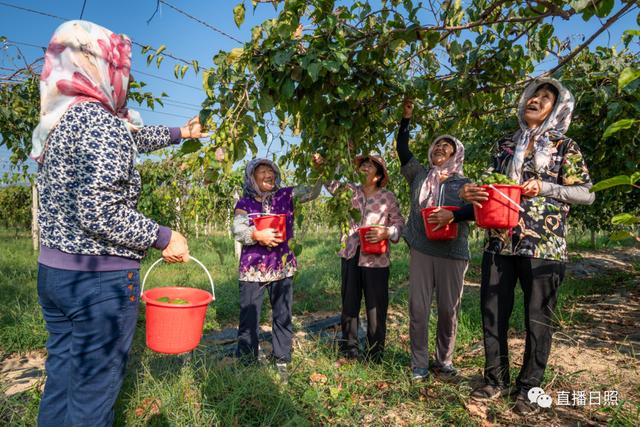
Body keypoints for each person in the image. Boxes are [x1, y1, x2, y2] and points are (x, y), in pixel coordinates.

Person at [32, 20, 205, 427]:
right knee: (92, 398)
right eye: (120, 68)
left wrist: (181, 132)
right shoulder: (100, 123)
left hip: (56, 275)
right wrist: (164, 237)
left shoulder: (64, 120)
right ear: (101, 68)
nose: (123, 77)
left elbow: (128, 138)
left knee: (61, 380)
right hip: (98, 284)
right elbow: (98, 210)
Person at [460, 78, 595, 415]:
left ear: (558, 109)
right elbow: (493, 186)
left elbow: (586, 193)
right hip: (499, 242)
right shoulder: (505, 144)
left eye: (545, 98)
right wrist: (472, 193)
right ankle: (494, 380)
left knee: (538, 320)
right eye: (533, 95)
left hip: (543, 245)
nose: (535, 100)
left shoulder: (565, 146)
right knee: (492, 314)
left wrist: (547, 187)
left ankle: (530, 388)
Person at [396, 99, 473, 381]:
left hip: (453, 252)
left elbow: (479, 209)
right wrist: (406, 120)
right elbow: (402, 150)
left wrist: (453, 216)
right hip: (422, 248)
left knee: (447, 309)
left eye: (447, 146)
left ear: (456, 154)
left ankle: (444, 360)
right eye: (437, 145)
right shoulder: (419, 175)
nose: (440, 148)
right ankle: (419, 363)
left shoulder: (464, 184)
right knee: (418, 306)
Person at [231, 159, 322, 377]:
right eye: (261, 171)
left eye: (270, 170)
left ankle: (282, 357)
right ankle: (247, 361)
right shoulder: (244, 204)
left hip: (281, 267)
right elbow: (237, 229)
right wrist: (256, 234)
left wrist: (319, 170)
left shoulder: (286, 196)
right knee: (249, 317)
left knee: (282, 314)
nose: (267, 174)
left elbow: (312, 191)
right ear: (252, 178)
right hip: (252, 270)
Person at [326, 154, 405, 362]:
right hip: (351, 253)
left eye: (370, 165)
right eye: (363, 164)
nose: (365, 167)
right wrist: (324, 164)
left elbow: (399, 224)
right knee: (349, 303)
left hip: (376, 259)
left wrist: (386, 233)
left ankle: (375, 354)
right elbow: (328, 181)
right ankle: (349, 351)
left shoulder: (387, 197)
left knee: (376, 307)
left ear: (378, 176)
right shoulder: (349, 191)